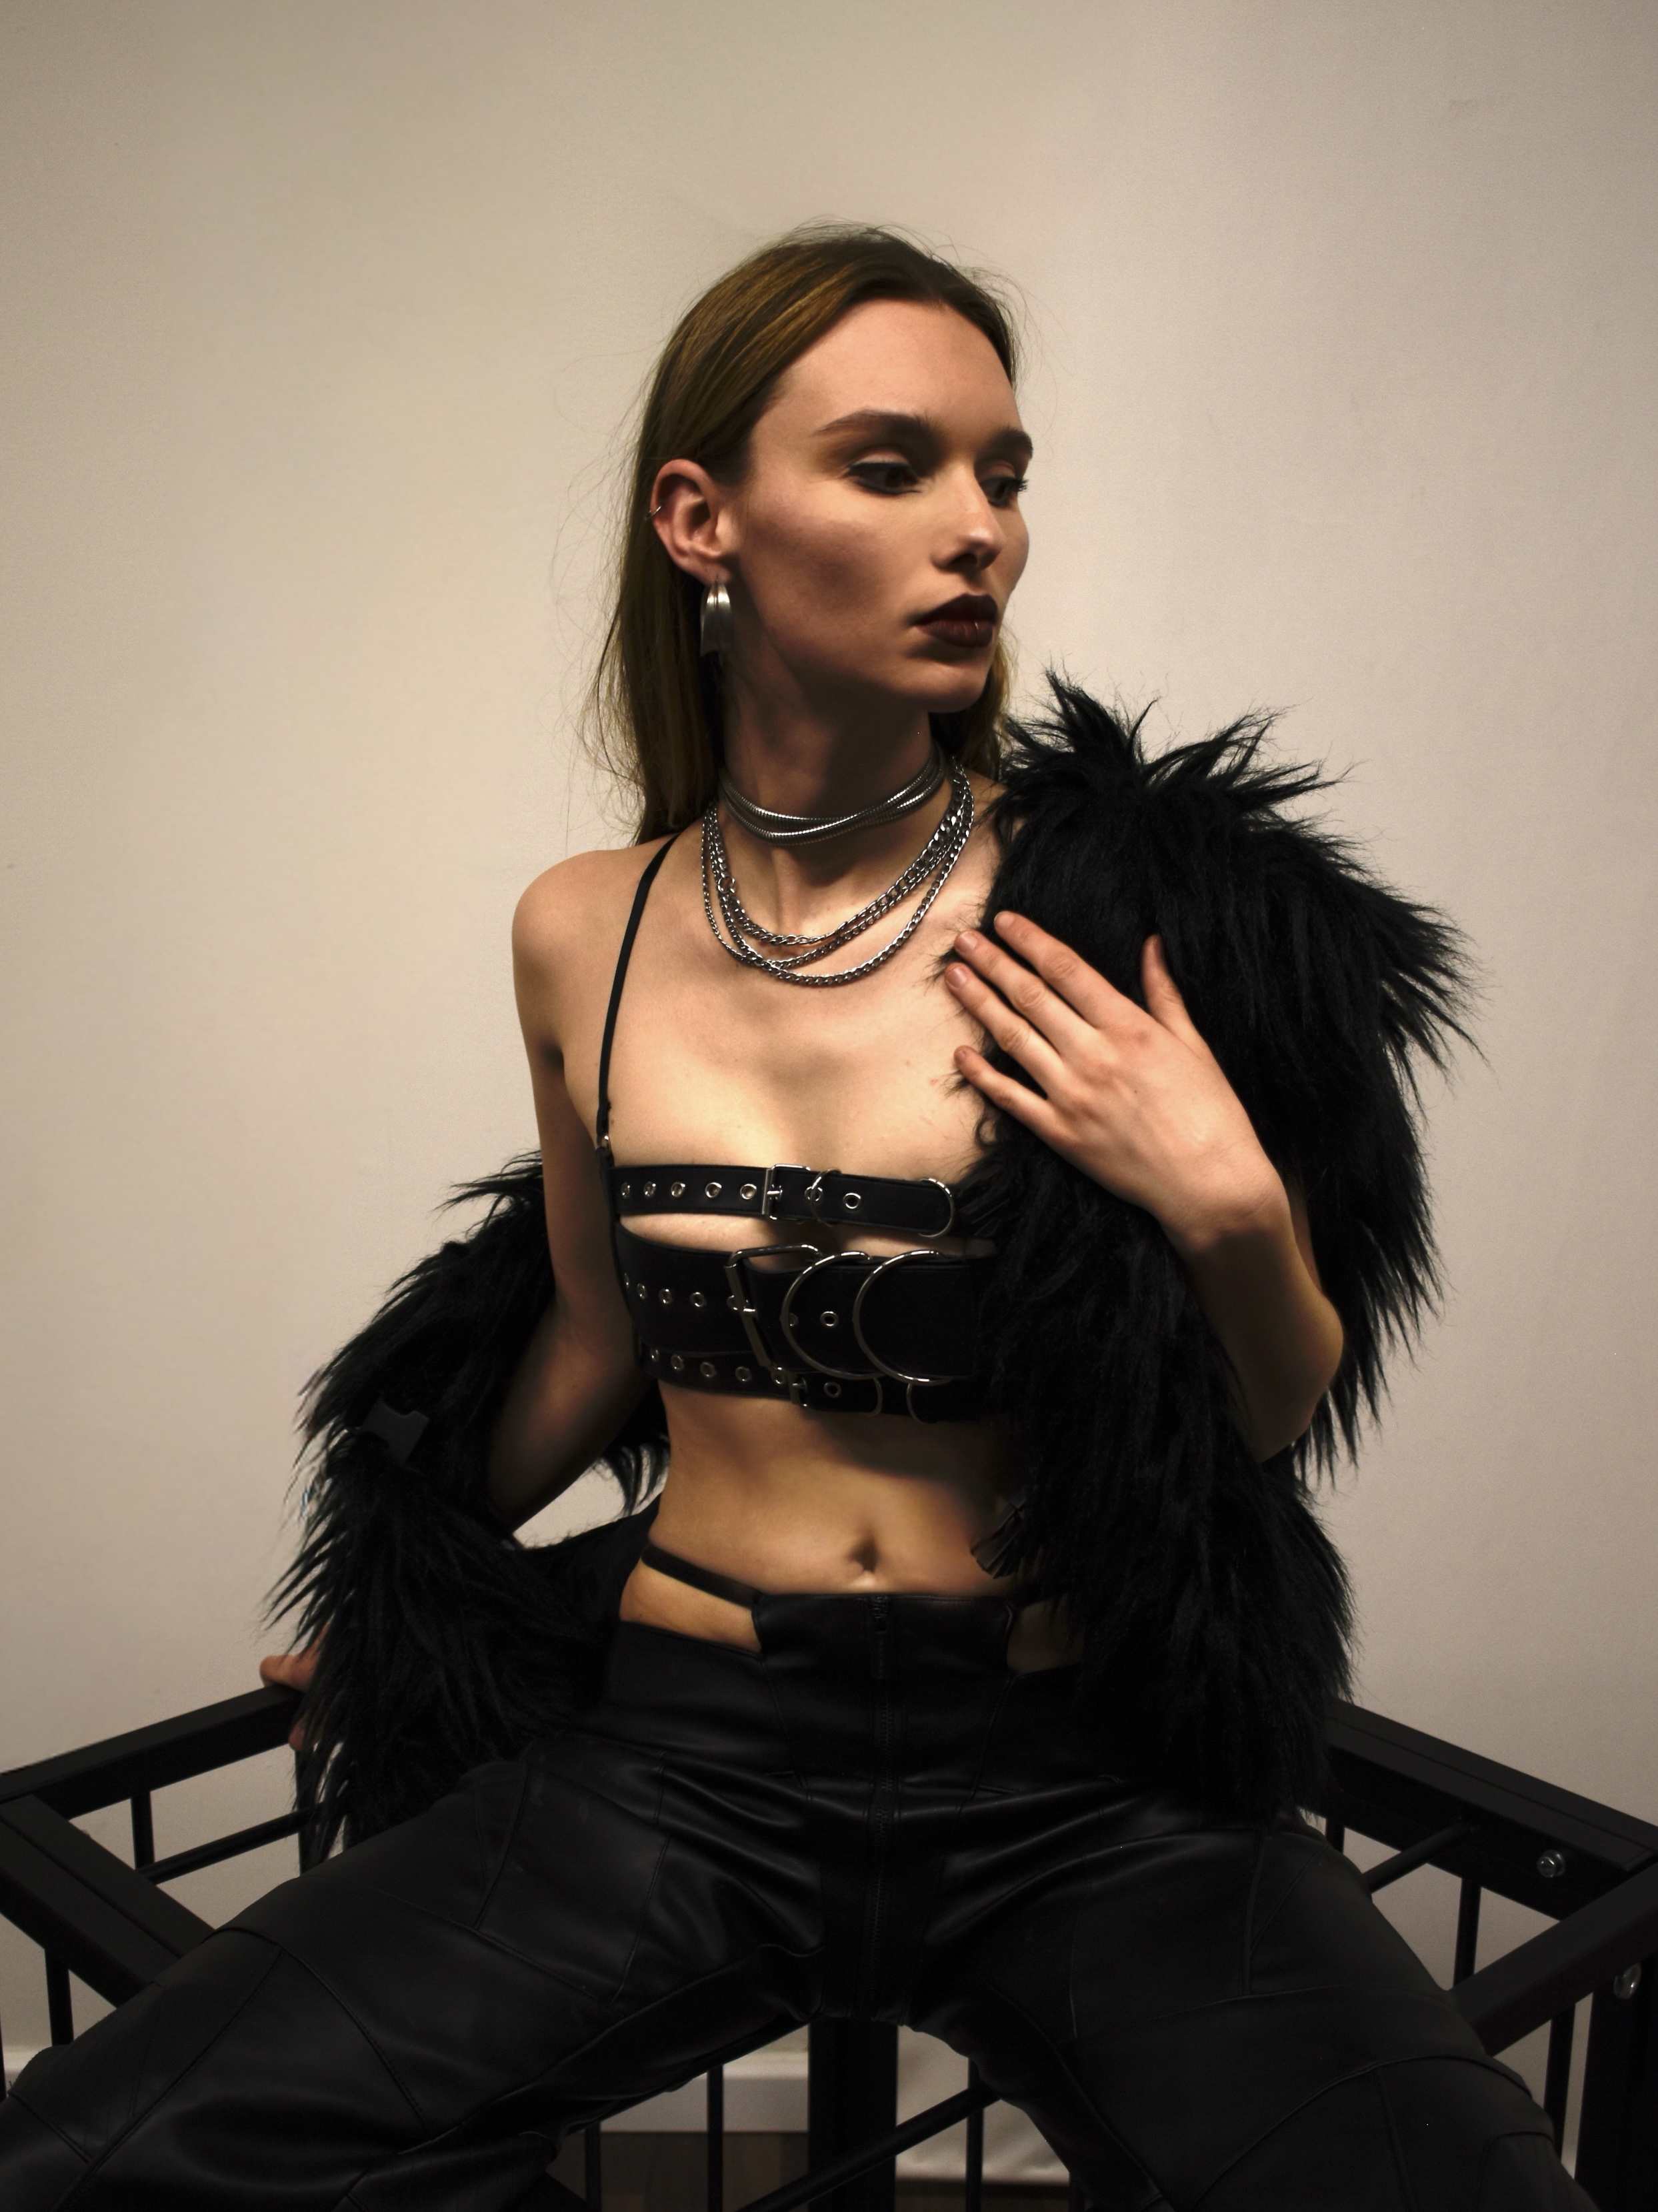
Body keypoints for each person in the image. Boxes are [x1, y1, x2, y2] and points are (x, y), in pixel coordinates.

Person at [0, 227, 1591, 2211]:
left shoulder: (1127, 908)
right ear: (702, 521)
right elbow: (595, 1337)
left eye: (1004, 474)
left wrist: (1231, 1201)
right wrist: (417, 1601)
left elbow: (1262, 1421)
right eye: (891, 466)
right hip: (686, 1756)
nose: (980, 533)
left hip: (1078, 1780)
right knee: (84, 2164)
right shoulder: (584, 928)